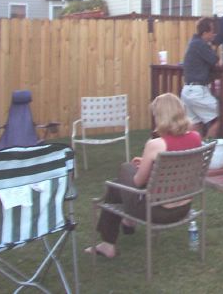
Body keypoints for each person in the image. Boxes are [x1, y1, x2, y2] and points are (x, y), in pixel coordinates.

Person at [86, 93, 202, 259]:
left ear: (161, 117)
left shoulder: (156, 145)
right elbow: (176, 166)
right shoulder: (196, 138)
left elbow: (138, 182)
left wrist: (136, 166)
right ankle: (127, 223)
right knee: (123, 179)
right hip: (184, 208)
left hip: (157, 212)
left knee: (121, 176)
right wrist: (150, 163)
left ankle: (108, 243)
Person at [181, 17, 220, 139]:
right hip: (197, 92)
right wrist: (215, 46)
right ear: (204, 33)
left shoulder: (194, 43)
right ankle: (206, 153)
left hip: (188, 91)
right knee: (219, 117)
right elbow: (214, 59)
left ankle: (193, 154)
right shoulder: (200, 45)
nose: (214, 34)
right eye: (212, 31)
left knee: (195, 124)